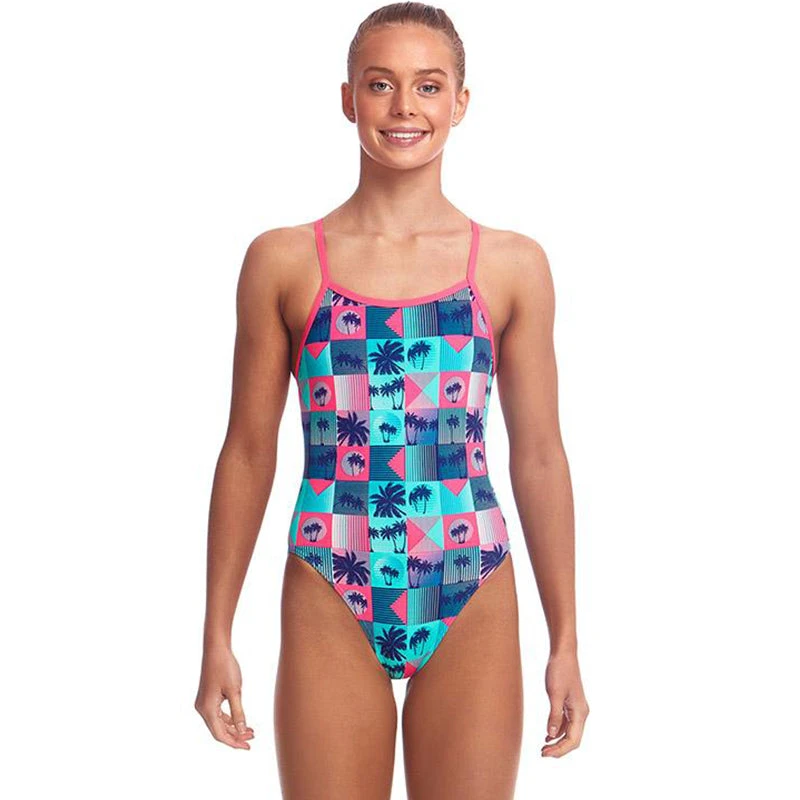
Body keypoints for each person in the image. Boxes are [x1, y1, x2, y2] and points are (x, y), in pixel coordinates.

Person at [195, 3, 589, 797]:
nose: (405, 106)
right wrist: (216, 633)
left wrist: (566, 641)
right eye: (381, 85)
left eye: (429, 86)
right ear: (348, 99)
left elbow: (541, 454)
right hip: (330, 582)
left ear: (461, 102)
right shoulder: (284, 261)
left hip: (470, 581)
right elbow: (248, 449)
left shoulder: (511, 266)